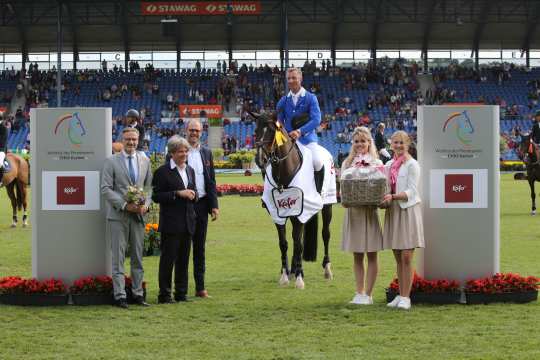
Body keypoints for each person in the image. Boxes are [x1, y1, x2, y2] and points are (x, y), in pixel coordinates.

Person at [101, 127, 153, 309]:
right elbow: (105, 189)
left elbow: (148, 187)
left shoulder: (145, 160)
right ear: (122, 140)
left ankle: (138, 294)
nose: (131, 143)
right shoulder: (111, 161)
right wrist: (124, 205)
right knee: (118, 257)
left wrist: (145, 204)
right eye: (128, 139)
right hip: (118, 216)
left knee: (138, 257)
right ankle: (120, 296)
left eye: (134, 139)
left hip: (138, 217)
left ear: (138, 140)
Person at [380, 131, 424, 310]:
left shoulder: (413, 164)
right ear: (391, 145)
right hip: (393, 211)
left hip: (407, 210)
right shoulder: (389, 164)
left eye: (401, 143)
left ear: (407, 145)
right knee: (398, 257)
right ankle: (400, 294)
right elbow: (383, 187)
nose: (398, 146)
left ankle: (406, 297)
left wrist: (393, 196)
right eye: (395, 143)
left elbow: (412, 191)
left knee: (406, 256)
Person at [341, 127, 384, 305]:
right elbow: (342, 189)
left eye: (363, 141)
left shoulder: (377, 163)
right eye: (357, 141)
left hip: (370, 212)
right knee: (357, 255)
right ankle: (359, 292)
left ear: (369, 143)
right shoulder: (346, 163)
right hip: (353, 213)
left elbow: (382, 187)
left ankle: (369, 294)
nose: (360, 144)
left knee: (372, 254)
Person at [152, 136, 197, 303]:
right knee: (167, 261)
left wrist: (194, 195)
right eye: (180, 151)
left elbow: (194, 191)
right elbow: (156, 196)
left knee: (184, 261)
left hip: (188, 222)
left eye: (186, 151)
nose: (184, 154)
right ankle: (164, 295)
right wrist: (177, 193)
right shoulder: (162, 172)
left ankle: (181, 293)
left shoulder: (190, 170)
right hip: (171, 223)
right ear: (172, 153)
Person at [185, 119, 219, 298]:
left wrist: (214, 206)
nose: (194, 133)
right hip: (183, 206)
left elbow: (211, 180)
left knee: (199, 248)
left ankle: (200, 288)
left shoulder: (206, 152)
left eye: (197, 130)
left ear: (201, 132)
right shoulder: (178, 151)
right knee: (183, 248)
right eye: (191, 130)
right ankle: (180, 289)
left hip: (202, 204)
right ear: (186, 130)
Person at [276, 67, 323, 176]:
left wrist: (299, 131)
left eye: (294, 78)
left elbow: (316, 119)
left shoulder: (311, 98)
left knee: (317, 162)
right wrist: (280, 141)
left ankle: (318, 191)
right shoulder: (282, 101)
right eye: (288, 78)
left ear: (300, 78)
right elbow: (278, 123)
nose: (291, 81)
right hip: (288, 141)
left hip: (307, 139)